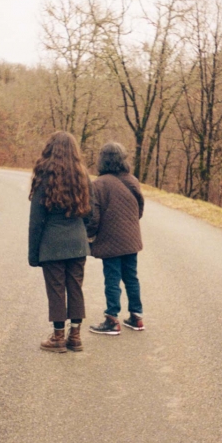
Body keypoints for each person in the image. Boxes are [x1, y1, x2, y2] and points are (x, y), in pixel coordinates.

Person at [28, 131, 92, 353]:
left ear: (50, 149)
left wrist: (33, 254)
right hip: (77, 242)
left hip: (52, 243)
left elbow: (36, 221)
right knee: (75, 287)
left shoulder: (44, 176)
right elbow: (90, 212)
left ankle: (58, 338)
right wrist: (83, 233)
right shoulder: (83, 175)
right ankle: (75, 336)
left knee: (56, 289)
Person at [87, 142, 145, 335]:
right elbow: (139, 209)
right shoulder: (133, 180)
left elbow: (94, 217)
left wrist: (89, 235)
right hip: (131, 239)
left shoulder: (98, 184)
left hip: (110, 240)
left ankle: (112, 319)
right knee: (131, 277)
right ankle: (136, 317)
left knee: (112, 279)